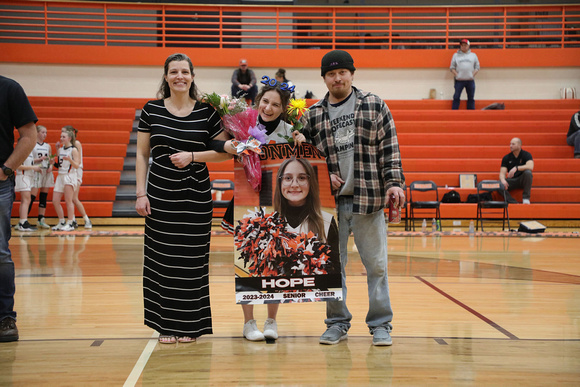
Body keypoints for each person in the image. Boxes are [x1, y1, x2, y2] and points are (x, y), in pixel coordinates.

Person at [298, 49, 406, 346]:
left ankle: (381, 324)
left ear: (351, 74)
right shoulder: (313, 114)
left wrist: (394, 182)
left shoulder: (374, 104)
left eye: (342, 72)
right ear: (324, 79)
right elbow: (303, 154)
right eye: (330, 74)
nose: (337, 78)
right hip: (331, 204)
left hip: (369, 199)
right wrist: (323, 170)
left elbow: (390, 146)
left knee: (377, 265)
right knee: (332, 267)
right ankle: (336, 322)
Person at [135, 53, 231, 344]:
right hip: (160, 197)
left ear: (192, 76)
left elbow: (227, 151)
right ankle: (164, 324)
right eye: (173, 72)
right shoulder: (151, 110)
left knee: (191, 262)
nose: (179, 76)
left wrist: (193, 156)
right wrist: (141, 193)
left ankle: (190, 325)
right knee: (161, 260)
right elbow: (141, 154)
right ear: (165, 77)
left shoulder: (207, 112)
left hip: (196, 197)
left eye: (184, 72)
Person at [215, 83, 305, 341]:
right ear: (258, 101)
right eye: (266, 101)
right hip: (246, 202)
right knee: (246, 261)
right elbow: (220, 149)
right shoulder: (241, 126)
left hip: (278, 203)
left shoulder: (290, 132)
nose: (269, 108)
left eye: (276, 104)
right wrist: (231, 146)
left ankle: (271, 321)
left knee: (276, 262)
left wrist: (302, 142)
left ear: (283, 109)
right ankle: (248, 323)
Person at [0, 75, 37, 342]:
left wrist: (5, 170)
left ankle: (5, 318)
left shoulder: (9, 88)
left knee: (0, 252)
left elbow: (29, 135)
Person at [51, 126, 80, 231]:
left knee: (68, 201)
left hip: (69, 176)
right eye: (61, 136)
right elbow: (59, 164)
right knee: (55, 200)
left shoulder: (73, 150)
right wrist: (53, 162)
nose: (61, 138)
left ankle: (70, 223)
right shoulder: (60, 149)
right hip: (60, 176)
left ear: (69, 138)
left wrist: (70, 160)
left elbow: (77, 165)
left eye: (63, 136)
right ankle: (61, 221)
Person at [66, 126, 92, 229]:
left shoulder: (76, 144)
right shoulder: (66, 146)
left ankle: (87, 219)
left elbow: (78, 162)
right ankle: (72, 220)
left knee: (73, 198)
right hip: (70, 172)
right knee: (69, 198)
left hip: (76, 171)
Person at [29, 125, 54, 229]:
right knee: (32, 196)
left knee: (43, 196)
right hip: (36, 171)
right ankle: (23, 220)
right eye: (43, 132)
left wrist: (51, 166)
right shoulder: (32, 145)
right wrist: (37, 160)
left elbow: (51, 159)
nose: (45, 134)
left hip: (46, 172)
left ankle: (41, 219)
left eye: (46, 132)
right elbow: (27, 160)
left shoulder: (48, 146)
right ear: (37, 133)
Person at [500, 137, 534, 204]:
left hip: (522, 179)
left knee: (528, 173)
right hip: (512, 180)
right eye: (510, 144)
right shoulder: (506, 157)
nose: (510, 146)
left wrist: (516, 168)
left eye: (513, 144)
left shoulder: (526, 155)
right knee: (499, 184)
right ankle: (513, 202)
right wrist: (503, 180)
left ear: (519, 145)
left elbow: (530, 166)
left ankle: (526, 199)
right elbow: (502, 173)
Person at [14, 149, 40, 231]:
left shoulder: (30, 151)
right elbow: (17, 166)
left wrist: (39, 161)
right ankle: (23, 223)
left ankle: (22, 222)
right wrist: (33, 167)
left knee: (26, 200)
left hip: (28, 177)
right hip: (23, 176)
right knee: (26, 200)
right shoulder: (20, 151)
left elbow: (28, 162)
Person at [450, 39, 480, 110]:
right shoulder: (455, 55)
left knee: (471, 97)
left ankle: (471, 114)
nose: (463, 47)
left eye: (465, 45)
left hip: (470, 80)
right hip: (459, 81)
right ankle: (454, 113)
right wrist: (457, 75)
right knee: (456, 97)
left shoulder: (473, 55)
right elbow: (452, 67)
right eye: (462, 45)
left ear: (468, 45)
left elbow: (477, 67)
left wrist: (472, 75)